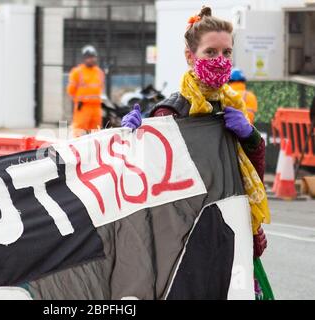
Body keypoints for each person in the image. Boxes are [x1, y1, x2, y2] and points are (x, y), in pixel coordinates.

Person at [122, 7, 271, 299]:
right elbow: (145, 181)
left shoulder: (232, 106)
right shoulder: (171, 111)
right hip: (186, 239)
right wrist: (133, 138)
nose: (220, 60)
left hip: (230, 230)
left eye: (227, 53)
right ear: (190, 57)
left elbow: (253, 174)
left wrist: (250, 136)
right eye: (210, 52)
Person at [67, 45, 105, 137]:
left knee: (96, 132)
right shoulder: (77, 72)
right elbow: (71, 90)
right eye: (89, 57)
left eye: (93, 57)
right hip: (83, 107)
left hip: (96, 107)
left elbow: (100, 88)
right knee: (79, 131)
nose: (91, 59)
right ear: (84, 58)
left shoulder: (99, 72)